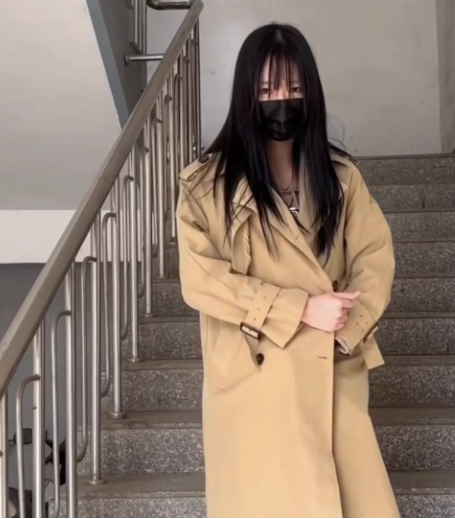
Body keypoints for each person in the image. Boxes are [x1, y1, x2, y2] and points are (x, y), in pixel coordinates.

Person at [177, 23, 399, 518]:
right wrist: (299, 309)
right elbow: (200, 280)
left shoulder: (341, 178)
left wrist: (347, 328)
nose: (282, 102)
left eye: (294, 88)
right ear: (246, 96)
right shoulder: (204, 187)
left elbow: (374, 257)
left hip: (330, 368)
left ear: (311, 94)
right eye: (267, 90)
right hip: (253, 381)